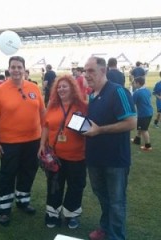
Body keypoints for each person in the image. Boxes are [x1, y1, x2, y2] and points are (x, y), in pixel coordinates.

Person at [83, 57, 136, 240]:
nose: (87, 75)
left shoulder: (118, 91)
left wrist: (99, 130)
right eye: (85, 71)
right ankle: (105, 228)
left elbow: (131, 123)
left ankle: (116, 236)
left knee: (116, 202)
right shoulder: (91, 95)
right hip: (95, 158)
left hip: (115, 160)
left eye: (91, 70)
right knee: (102, 196)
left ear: (103, 70)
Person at [0, 56, 45, 226]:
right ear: (8, 69)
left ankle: (23, 201)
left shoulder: (34, 88)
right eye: (13, 67)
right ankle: (4, 209)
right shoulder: (0, 90)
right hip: (9, 142)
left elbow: (42, 112)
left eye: (19, 67)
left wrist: (45, 137)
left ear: (24, 69)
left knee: (28, 171)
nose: (16, 70)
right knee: (7, 174)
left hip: (33, 140)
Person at [37, 75, 87, 229]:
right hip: (55, 156)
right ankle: (52, 213)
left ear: (72, 88)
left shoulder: (83, 106)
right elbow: (45, 126)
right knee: (54, 185)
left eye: (65, 86)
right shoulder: (52, 106)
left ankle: (72, 214)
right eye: (59, 87)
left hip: (77, 156)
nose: (61, 89)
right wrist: (41, 145)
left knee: (75, 186)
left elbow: (89, 127)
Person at [131, 76, 153, 151]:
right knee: (140, 126)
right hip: (149, 112)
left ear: (138, 83)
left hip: (144, 113)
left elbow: (132, 103)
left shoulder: (137, 93)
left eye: (134, 83)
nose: (134, 84)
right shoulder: (147, 90)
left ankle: (148, 146)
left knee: (144, 129)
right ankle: (137, 140)